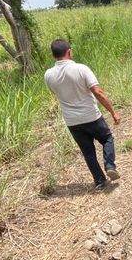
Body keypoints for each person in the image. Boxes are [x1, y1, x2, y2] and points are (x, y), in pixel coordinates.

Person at [44, 39, 121, 190]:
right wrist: (113, 112)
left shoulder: (48, 75)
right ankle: (110, 166)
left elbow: (56, 92)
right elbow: (98, 92)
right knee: (107, 139)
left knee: (88, 151)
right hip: (91, 116)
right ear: (69, 52)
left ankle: (99, 180)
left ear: (53, 55)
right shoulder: (81, 69)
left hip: (72, 121)